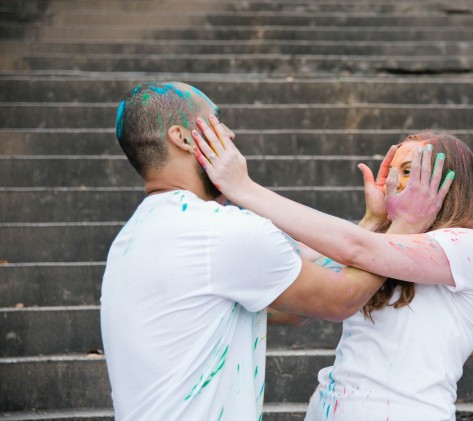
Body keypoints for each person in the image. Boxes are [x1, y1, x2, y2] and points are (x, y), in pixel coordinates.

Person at [100, 81, 443, 420]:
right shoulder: (219, 233)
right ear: (185, 138)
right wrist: (403, 228)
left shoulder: (133, 239)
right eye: (217, 122)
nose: (230, 134)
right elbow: (340, 298)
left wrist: (372, 222)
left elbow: (293, 306)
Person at [191, 116, 473, 421]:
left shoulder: (466, 247)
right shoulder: (377, 246)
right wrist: (374, 221)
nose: (393, 183)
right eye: (391, 173)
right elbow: (309, 268)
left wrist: (243, 188)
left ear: (447, 184)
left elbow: (356, 248)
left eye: (408, 172)